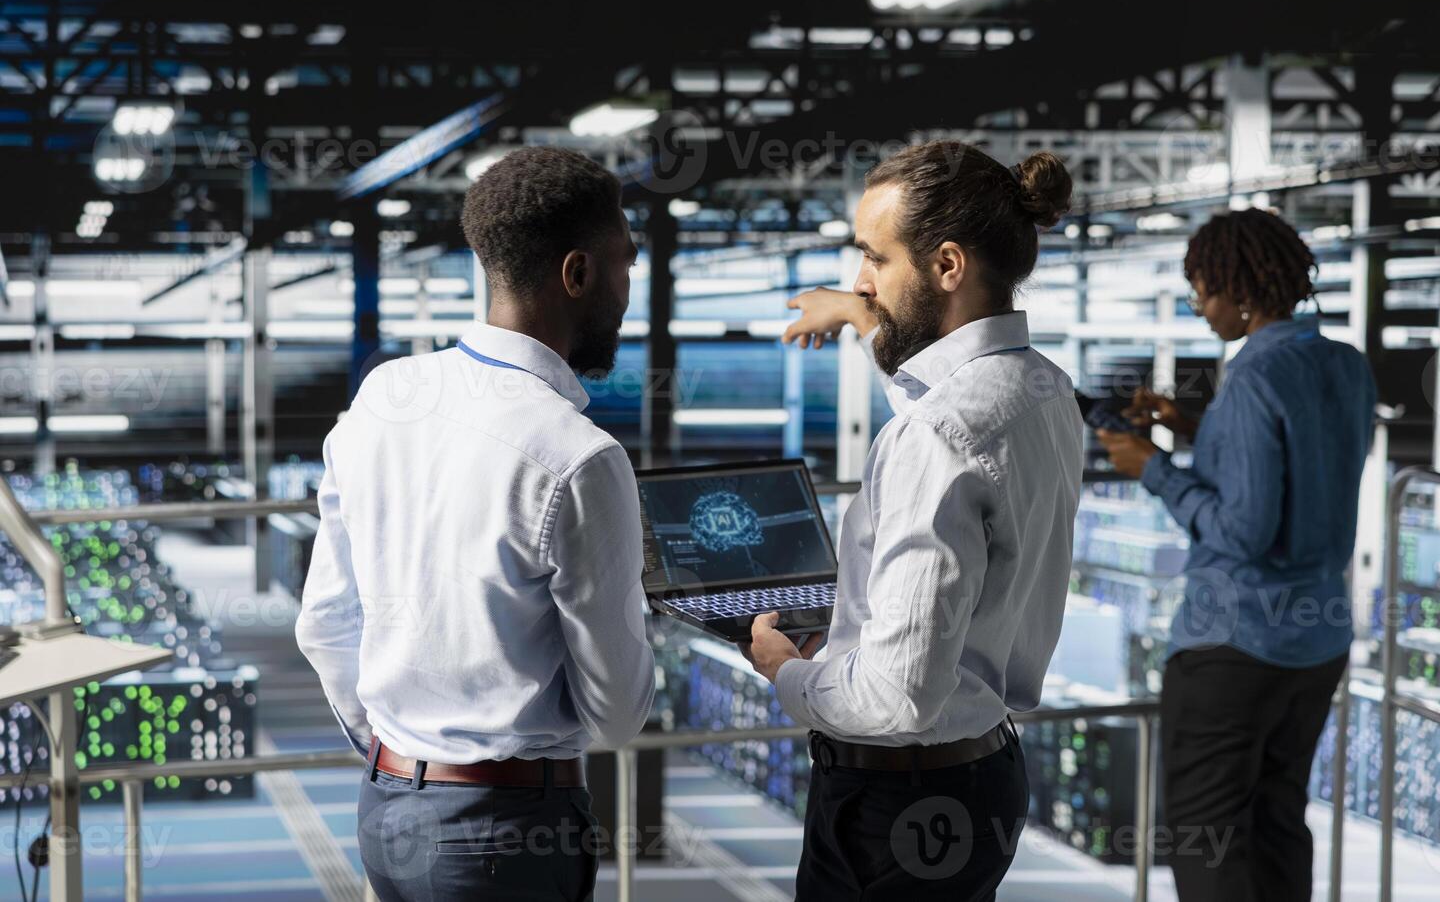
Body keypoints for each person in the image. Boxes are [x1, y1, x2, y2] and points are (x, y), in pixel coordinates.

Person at [295, 147, 655, 902]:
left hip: (386, 809)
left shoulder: (384, 395)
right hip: (509, 832)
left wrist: (405, 752)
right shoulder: (580, 457)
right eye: (625, 263)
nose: (630, 288)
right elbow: (618, 713)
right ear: (577, 274)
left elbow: (325, 625)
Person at [744, 140, 1085, 901]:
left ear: (948, 266)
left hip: (895, 807)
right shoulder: (1043, 389)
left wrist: (786, 671)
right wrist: (864, 318)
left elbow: (895, 699)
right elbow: (945, 409)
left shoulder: (935, 436)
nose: (860, 281)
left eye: (874, 259)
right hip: (981, 777)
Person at [1095, 208, 1375, 902]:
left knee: (1209, 838)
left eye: (1202, 290)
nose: (1198, 306)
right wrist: (1195, 427)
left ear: (1238, 290)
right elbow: (1301, 467)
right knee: (1279, 822)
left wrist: (1153, 468)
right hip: (1317, 642)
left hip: (1235, 646)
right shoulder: (1343, 365)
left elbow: (1245, 532)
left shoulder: (1251, 379)